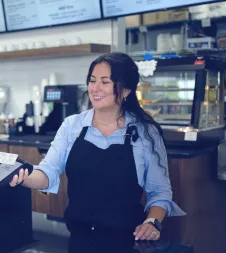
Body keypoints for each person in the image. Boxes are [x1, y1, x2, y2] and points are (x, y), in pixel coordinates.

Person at [10, 52, 186, 252]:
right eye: (92, 81)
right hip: (79, 240)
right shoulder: (72, 126)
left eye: (105, 81)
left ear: (126, 89)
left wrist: (152, 222)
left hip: (127, 242)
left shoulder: (145, 132)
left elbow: (160, 192)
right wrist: (21, 173)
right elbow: (47, 172)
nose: (95, 88)